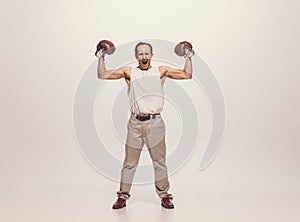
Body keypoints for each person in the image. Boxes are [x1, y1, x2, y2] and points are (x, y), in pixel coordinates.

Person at [96, 41, 194, 209]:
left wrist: (188, 57)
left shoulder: (160, 71)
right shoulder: (129, 72)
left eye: (146, 53)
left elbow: (187, 74)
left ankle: (164, 196)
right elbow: (103, 74)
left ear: (151, 56)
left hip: (155, 124)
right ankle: (122, 197)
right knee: (129, 163)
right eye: (140, 54)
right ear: (136, 56)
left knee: (159, 162)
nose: (144, 56)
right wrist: (101, 57)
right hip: (135, 124)